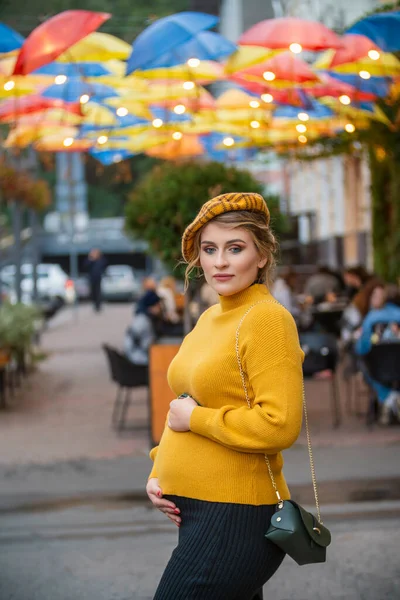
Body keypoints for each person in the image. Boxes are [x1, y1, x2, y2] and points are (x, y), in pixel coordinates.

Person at [147, 192, 304, 600]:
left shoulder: (266, 318)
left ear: (262, 255)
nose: (219, 262)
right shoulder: (211, 316)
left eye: (235, 248)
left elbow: (280, 424)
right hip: (200, 512)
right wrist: (157, 473)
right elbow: (184, 401)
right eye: (209, 249)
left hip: (236, 516)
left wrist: (196, 420)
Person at [355, 284, 400, 424]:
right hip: (397, 364)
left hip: (378, 368)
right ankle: (393, 397)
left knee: (362, 363)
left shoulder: (371, 319)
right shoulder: (397, 313)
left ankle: (388, 397)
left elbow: (361, 349)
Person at [124, 289, 164, 365]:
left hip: (133, 354)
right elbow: (148, 345)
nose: (160, 308)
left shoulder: (142, 317)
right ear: (151, 306)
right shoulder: (144, 322)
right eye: (158, 305)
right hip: (138, 358)